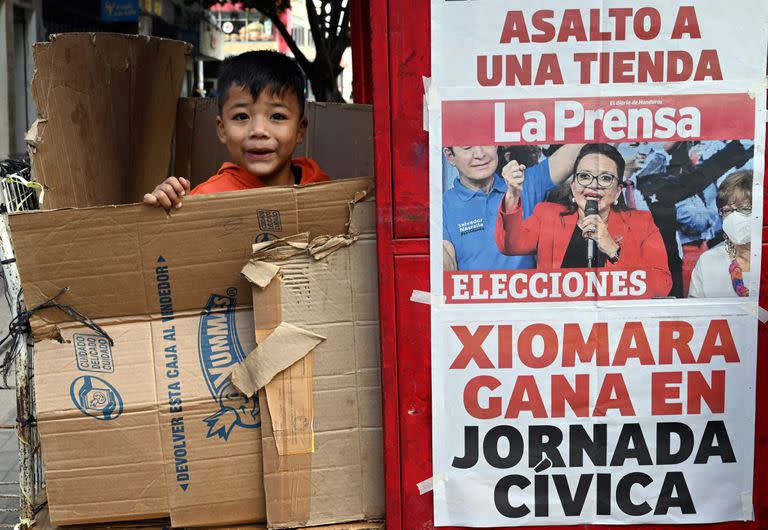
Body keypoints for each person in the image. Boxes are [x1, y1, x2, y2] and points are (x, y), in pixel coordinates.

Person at [144, 50, 329, 208]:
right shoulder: (205, 200)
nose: (258, 130)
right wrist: (166, 211)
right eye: (241, 116)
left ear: (300, 130)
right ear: (222, 129)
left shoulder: (322, 188)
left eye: (277, 116)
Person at [495, 143, 672, 298]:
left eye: (605, 178)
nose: (593, 185)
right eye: (585, 176)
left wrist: (612, 249)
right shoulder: (547, 215)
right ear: (573, 186)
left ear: (618, 191)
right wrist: (513, 195)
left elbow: (660, 287)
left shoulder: (642, 224)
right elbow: (510, 244)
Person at [621, 140, 752, 297]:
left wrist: (742, 146)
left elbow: (699, 176)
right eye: (633, 145)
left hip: (669, 278)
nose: (643, 150)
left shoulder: (654, 184)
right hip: (627, 280)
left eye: (646, 143)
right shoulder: (602, 193)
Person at [442, 144, 583, 270]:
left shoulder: (526, 184)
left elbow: (578, 147)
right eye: (467, 147)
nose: (480, 154)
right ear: (450, 156)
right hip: (474, 296)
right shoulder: (442, 205)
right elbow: (446, 269)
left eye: (487, 142)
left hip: (527, 296)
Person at [689, 170, 754, 298]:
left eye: (745, 209)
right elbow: (696, 315)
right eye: (728, 211)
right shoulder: (707, 262)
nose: (735, 217)